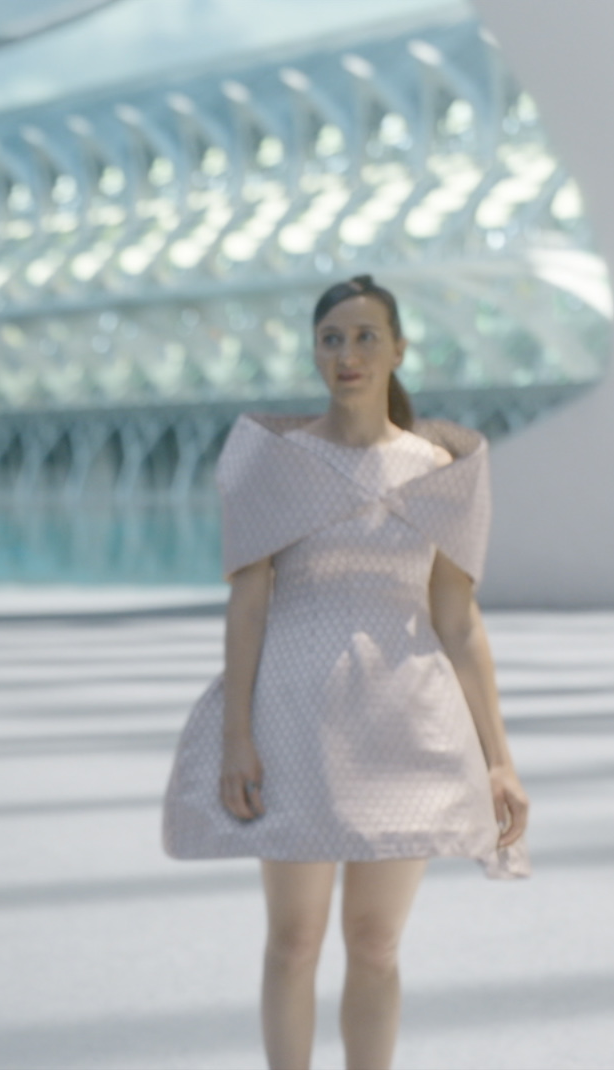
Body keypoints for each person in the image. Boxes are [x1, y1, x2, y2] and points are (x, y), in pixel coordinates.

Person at [163, 275, 530, 1070]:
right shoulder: (277, 463)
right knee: (294, 939)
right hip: (294, 719)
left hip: (406, 721)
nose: (348, 354)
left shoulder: (438, 470)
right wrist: (236, 737)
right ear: (314, 352)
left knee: (375, 941)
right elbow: (248, 606)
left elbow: (458, 620)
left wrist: (498, 758)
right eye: (331, 338)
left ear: (398, 350)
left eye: (366, 337)